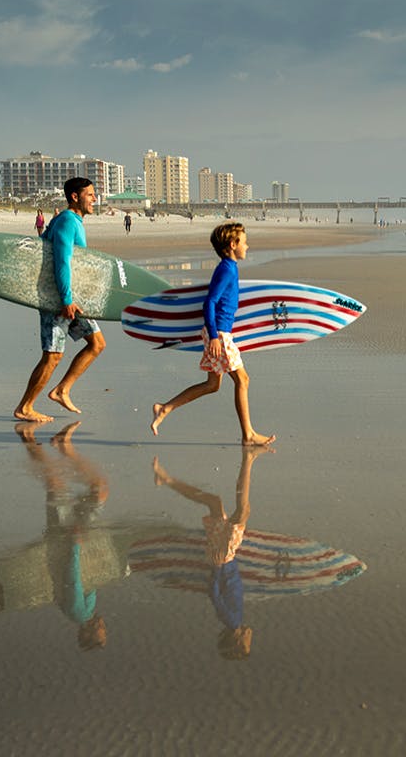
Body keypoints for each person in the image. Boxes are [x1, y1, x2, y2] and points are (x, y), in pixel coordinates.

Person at [150, 222, 275, 446]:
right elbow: (210, 302)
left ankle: (164, 408)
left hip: (218, 332)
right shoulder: (227, 269)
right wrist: (215, 336)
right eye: (244, 242)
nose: (247, 246)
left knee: (212, 385)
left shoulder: (229, 267)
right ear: (232, 244)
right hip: (220, 334)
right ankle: (248, 434)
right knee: (243, 380)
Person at [151, 446, 272, 659]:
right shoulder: (234, 619)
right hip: (225, 557)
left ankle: (249, 459)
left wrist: (216, 569)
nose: (250, 640)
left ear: (237, 641)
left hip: (224, 557)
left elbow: (214, 595)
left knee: (242, 510)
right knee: (215, 503)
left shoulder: (232, 620)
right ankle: (166, 480)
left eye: (247, 645)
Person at [14, 178, 106, 422]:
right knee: (52, 355)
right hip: (59, 301)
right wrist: (66, 299)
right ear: (75, 197)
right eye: (90, 194)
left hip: (72, 300)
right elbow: (62, 261)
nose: (95, 199)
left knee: (97, 344)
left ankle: (61, 390)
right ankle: (25, 407)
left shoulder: (71, 221)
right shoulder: (66, 220)